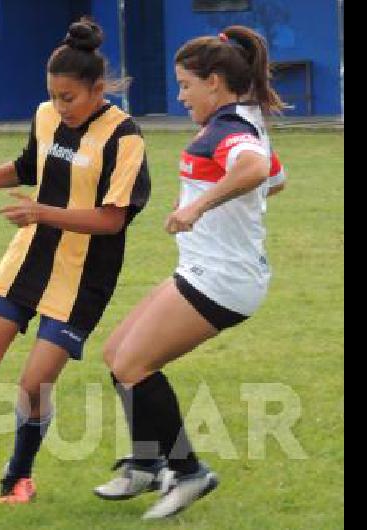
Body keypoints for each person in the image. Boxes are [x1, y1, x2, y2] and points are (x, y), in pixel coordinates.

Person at [0, 18, 151, 504]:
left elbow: (112, 219)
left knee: (33, 382)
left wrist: (41, 211)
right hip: (28, 259)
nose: (59, 106)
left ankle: (19, 476)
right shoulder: (46, 115)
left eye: (69, 97)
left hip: (84, 275)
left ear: (98, 90)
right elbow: (30, 166)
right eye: (53, 95)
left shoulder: (124, 137)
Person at [92, 25, 287, 519]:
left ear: (215, 81)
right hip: (207, 269)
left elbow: (256, 171)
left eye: (185, 85)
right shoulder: (239, 120)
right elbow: (275, 178)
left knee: (134, 366)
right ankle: (144, 463)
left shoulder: (231, 130)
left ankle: (189, 471)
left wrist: (197, 208)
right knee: (116, 354)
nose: (180, 96)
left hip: (222, 280)